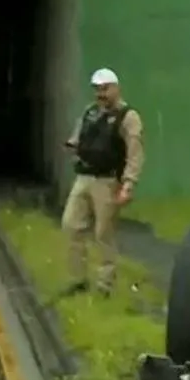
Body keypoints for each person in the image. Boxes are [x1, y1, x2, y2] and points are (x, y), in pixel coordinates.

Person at [61, 68, 144, 296]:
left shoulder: (128, 116)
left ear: (116, 88)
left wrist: (128, 184)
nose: (101, 94)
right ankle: (77, 279)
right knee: (71, 225)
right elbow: (77, 137)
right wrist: (73, 146)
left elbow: (135, 152)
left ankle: (105, 285)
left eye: (105, 88)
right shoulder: (89, 112)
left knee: (103, 233)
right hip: (84, 177)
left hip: (107, 181)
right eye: (97, 89)